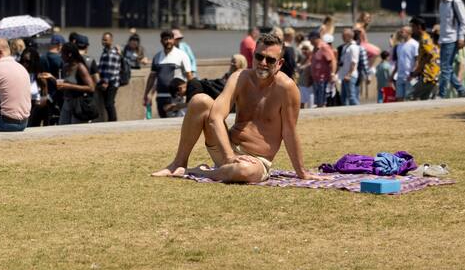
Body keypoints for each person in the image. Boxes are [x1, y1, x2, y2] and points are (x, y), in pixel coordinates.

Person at [152, 32, 317, 183]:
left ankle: (197, 172)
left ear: (280, 63)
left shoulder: (287, 88)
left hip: (256, 161)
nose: (263, 63)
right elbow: (215, 116)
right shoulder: (239, 78)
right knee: (199, 101)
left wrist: (301, 171)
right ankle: (178, 163)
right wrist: (229, 156)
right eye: (259, 57)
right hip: (226, 149)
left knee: (244, 171)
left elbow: (289, 131)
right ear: (253, 56)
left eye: (270, 60)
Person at [144, 30, 193, 118]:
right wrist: (147, 94)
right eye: (165, 39)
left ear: (173, 40)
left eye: (170, 39)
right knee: (162, 123)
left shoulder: (182, 55)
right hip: (160, 97)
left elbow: (189, 76)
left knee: (177, 124)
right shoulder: (157, 57)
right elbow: (152, 77)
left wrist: (191, 95)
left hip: (176, 97)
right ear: (161, 41)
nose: (168, 41)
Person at [45, 43, 96, 125]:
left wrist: (69, 86)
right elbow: (63, 84)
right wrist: (51, 77)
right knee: (62, 127)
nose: (60, 55)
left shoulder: (80, 67)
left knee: (75, 130)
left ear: (69, 54)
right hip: (67, 102)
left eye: (62, 53)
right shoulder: (65, 67)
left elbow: (91, 87)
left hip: (78, 104)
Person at [436, 0, 465, 98]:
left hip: (452, 39)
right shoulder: (441, 4)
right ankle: (462, 90)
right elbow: (444, 24)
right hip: (443, 39)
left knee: (445, 67)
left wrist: (461, 38)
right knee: (447, 68)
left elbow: (463, 21)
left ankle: (441, 94)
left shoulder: (456, 2)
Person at [407, 17, 440, 101]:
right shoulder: (426, 38)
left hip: (428, 76)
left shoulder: (424, 39)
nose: (412, 29)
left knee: (410, 96)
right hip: (430, 75)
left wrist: (418, 69)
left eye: (413, 27)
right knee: (424, 99)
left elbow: (430, 54)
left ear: (419, 27)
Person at [95, 32, 123, 122]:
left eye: (106, 40)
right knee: (109, 103)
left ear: (111, 41)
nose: (103, 41)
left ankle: (113, 121)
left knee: (109, 103)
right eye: (102, 39)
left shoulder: (111, 53)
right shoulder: (105, 52)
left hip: (112, 82)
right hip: (107, 81)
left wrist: (105, 82)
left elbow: (110, 69)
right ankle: (111, 120)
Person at [308, 31, 337, 107]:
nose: (309, 41)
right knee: (318, 102)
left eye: (310, 39)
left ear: (315, 38)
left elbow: (332, 60)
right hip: (316, 79)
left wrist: (332, 74)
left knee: (322, 101)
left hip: (323, 79)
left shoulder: (324, 47)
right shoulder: (315, 48)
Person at [336, 28, 361, 107]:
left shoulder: (353, 47)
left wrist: (349, 74)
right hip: (344, 75)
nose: (342, 38)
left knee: (351, 97)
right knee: (344, 98)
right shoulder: (346, 47)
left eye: (344, 36)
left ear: (349, 36)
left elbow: (354, 62)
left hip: (350, 76)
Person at [393, 26, 418, 102]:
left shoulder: (415, 44)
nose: (400, 33)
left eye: (402, 31)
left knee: (409, 99)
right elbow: (398, 62)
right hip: (400, 76)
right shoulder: (399, 46)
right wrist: (392, 76)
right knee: (399, 98)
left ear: (409, 33)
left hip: (410, 77)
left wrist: (413, 74)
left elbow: (417, 60)